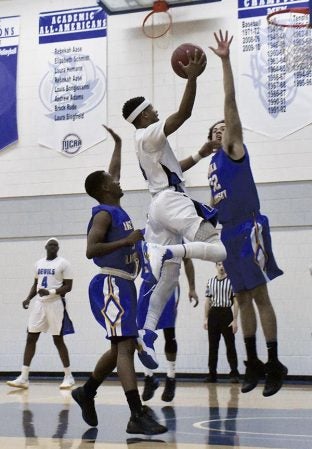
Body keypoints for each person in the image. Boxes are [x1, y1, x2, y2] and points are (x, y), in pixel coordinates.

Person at [122, 50, 226, 370]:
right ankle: (174, 253)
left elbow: (173, 169)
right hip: (169, 201)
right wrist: (192, 77)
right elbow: (183, 114)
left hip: (159, 206)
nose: (156, 111)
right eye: (151, 109)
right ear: (142, 116)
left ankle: (146, 335)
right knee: (216, 244)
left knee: (167, 283)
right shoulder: (148, 133)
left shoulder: (146, 142)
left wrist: (199, 153)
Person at [71, 126, 167, 435]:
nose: (117, 179)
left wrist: (119, 144)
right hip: (110, 283)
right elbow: (91, 250)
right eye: (113, 181)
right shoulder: (103, 214)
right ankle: (136, 414)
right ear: (105, 189)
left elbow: (112, 171)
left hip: (125, 283)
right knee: (125, 347)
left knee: (118, 350)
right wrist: (127, 242)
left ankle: (87, 391)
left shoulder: (114, 204)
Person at [207, 30, 287, 397]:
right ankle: (252, 361)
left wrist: (223, 60)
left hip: (249, 226)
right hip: (228, 232)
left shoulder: (234, 150)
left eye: (224, 127)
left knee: (259, 295)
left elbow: (229, 103)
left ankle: (273, 362)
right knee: (241, 298)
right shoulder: (211, 165)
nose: (222, 129)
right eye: (216, 130)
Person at [6, 238, 75, 390]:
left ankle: (68, 376)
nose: (53, 246)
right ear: (46, 247)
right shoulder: (38, 263)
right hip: (39, 304)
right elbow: (35, 284)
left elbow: (68, 287)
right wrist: (28, 298)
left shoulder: (64, 263)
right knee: (31, 337)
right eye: (50, 244)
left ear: (58, 248)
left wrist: (51, 291)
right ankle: (24, 377)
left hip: (56, 303)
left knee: (58, 339)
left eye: (55, 245)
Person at [138, 257, 198, 402]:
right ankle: (149, 377)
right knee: (141, 333)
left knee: (169, 333)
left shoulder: (175, 235)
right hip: (147, 285)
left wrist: (192, 288)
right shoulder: (141, 235)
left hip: (168, 285)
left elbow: (188, 260)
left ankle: (171, 377)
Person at [204, 261, 239, 383]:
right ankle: (212, 374)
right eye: (219, 264)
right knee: (213, 346)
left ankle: (234, 373)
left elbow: (236, 302)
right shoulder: (210, 282)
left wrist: (235, 320)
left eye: (224, 264)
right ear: (216, 266)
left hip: (226, 313)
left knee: (230, 345)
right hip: (214, 314)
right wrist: (206, 318)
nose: (221, 266)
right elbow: (207, 301)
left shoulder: (232, 281)